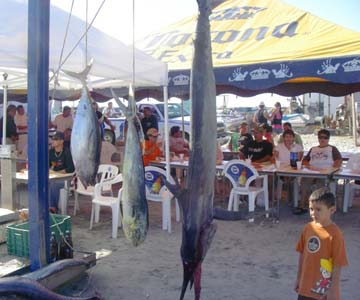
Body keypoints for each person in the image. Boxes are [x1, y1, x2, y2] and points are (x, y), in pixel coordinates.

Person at [295, 187, 348, 300]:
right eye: (311, 209)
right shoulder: (307, 228)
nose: (313, 213)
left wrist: (332, 290)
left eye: (318, 209)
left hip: (323, 292)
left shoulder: (335, 234)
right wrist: (299, 278)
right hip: (305, 288)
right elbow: (302, 255)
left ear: (332, 210)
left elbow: (337, 264)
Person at [295, 129, 342, 215]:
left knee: (321, 185)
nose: (322, 139)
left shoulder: (332, 149)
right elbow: (305, 161)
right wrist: (309, 166)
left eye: (325, 137)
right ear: (318, 138)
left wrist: (331, 170)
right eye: (320, 137)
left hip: (325, 173)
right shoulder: (313, 149)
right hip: (312, 172)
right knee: (304, 183)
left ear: (328, 139)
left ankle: (320, 207)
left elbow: (338, 161)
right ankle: (302, 205)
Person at [49, 131, 75, 212]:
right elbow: (48, 165)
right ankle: (45, 206)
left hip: (66, 178)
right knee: (44, 182)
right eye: (52, 139)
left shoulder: (67, 151)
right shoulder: (51, 152)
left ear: (61, 141)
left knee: (53, 184)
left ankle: (53, 208)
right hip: (54, 177)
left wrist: (58, 172)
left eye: (55, 139)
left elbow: (71, 168)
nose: (53, 141)